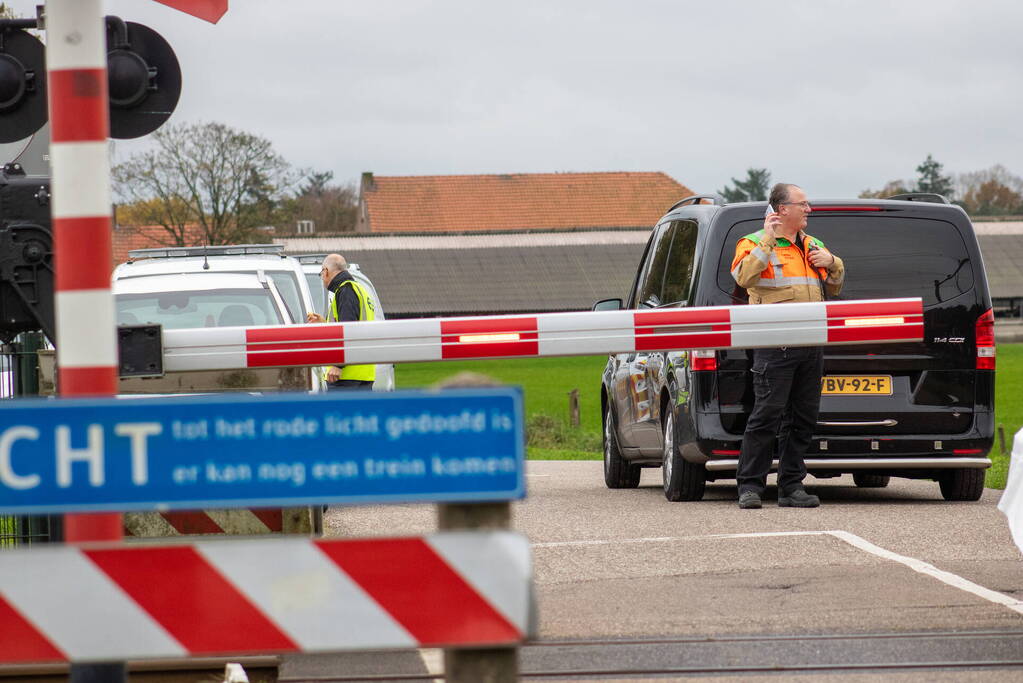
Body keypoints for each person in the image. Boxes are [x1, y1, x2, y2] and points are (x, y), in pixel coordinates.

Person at [730, 183, 845, 509]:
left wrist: (833, 261)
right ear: (782, 210)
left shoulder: (813, 245)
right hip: (774, 345)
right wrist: (767, 240)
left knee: (803, 419)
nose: (809, 209)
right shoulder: (752, 242)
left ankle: (791, 487)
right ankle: (750, 486)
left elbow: (834, 288)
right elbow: (743, 277)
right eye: (803, 204)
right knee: (766, 416)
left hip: (811, 344)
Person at [306, 253, 377, 390]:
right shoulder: (360, 289)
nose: (322, 278)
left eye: (321, 273)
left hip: (346, 375)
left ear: (326, 271)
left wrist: (338, 364)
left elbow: (348, 328)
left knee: (337, 412)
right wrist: (324, 324)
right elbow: (356, 326)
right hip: (364, 373)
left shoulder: (345, 290)